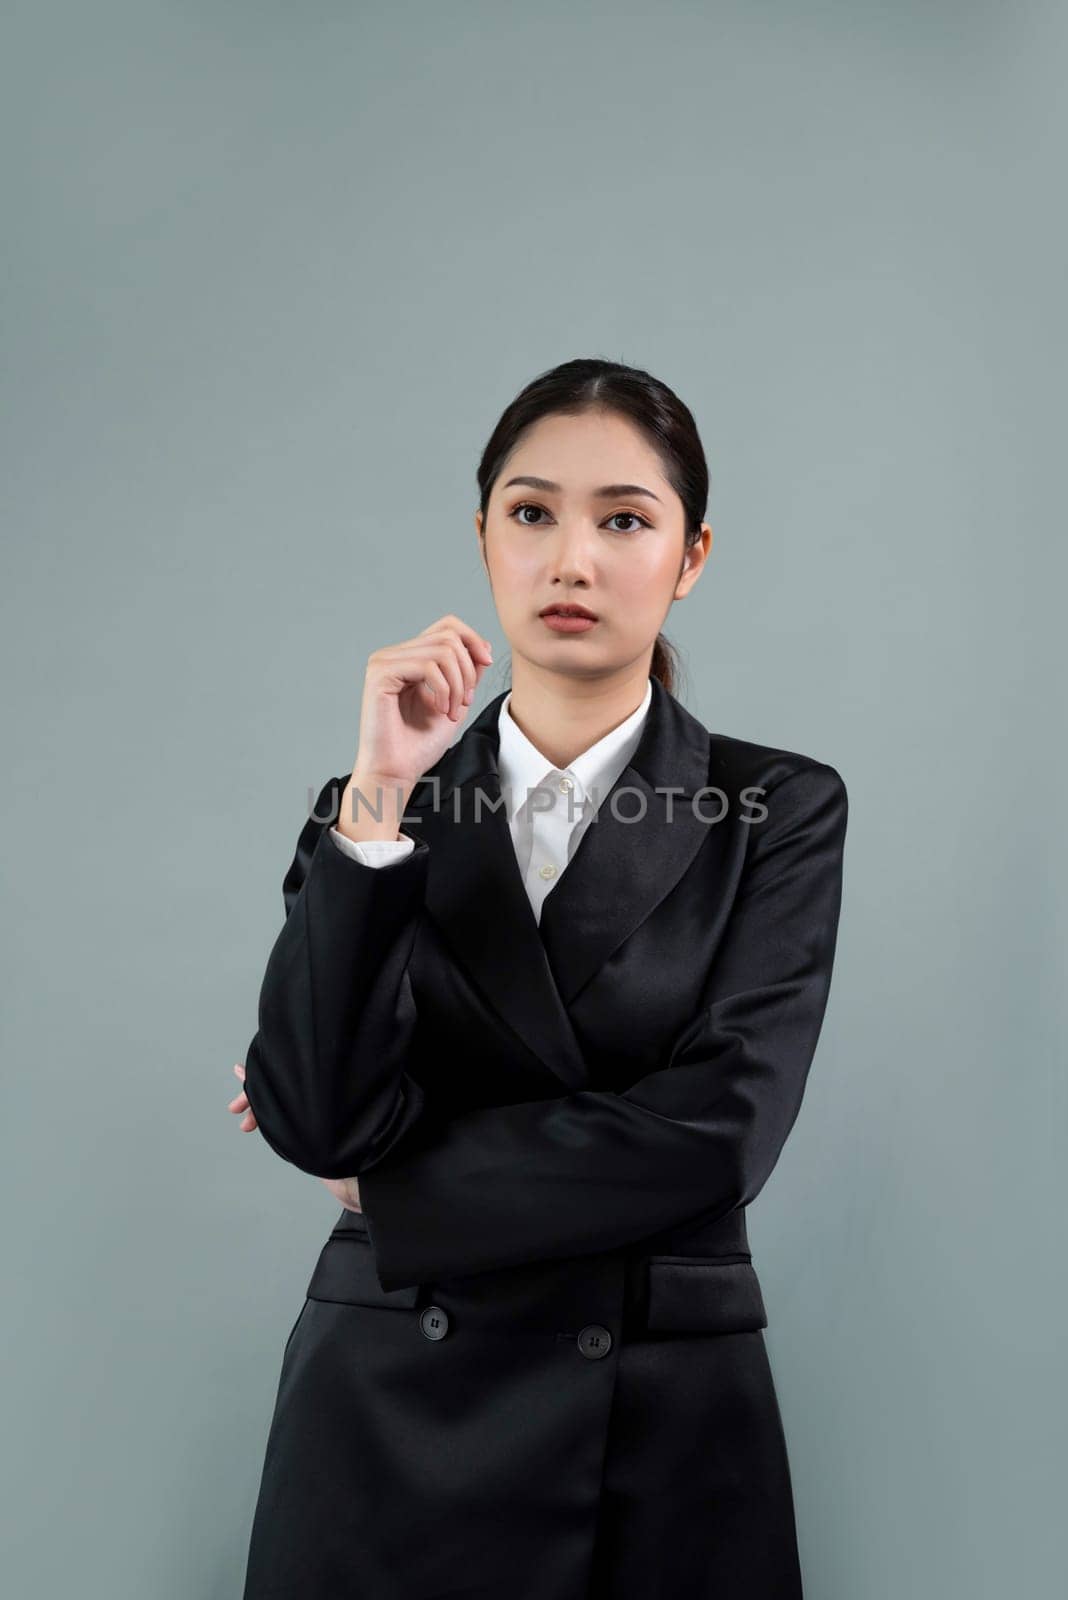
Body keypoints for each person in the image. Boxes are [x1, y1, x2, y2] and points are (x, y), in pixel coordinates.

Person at [231, 357, 848, 1599]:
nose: (572, 558)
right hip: (388, 1413)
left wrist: (399, 1191)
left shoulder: (772, 808)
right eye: (531, 512)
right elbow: (315, 1120)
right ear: (483, 539)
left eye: (624, 518)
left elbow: (716, 1136)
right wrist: (380, 794)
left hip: (657, 1427)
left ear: (692, 556)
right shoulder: (375, 812)